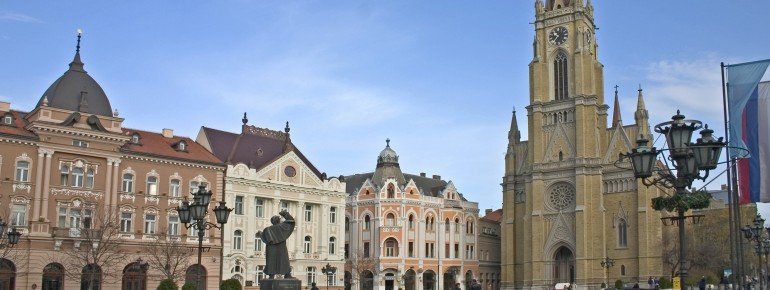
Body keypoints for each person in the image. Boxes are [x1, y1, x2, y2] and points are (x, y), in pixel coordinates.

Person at [257, 210, 296, 279]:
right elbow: (291, 221)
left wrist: (260, 234)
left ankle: (271, 275)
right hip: (281, 247)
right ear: (278, 221)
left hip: (271, 248)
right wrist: (285, 214)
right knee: (284, 260)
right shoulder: (282, 227)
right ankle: (287, 274)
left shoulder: (267, 229)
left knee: (271, 260)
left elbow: (264, 239)